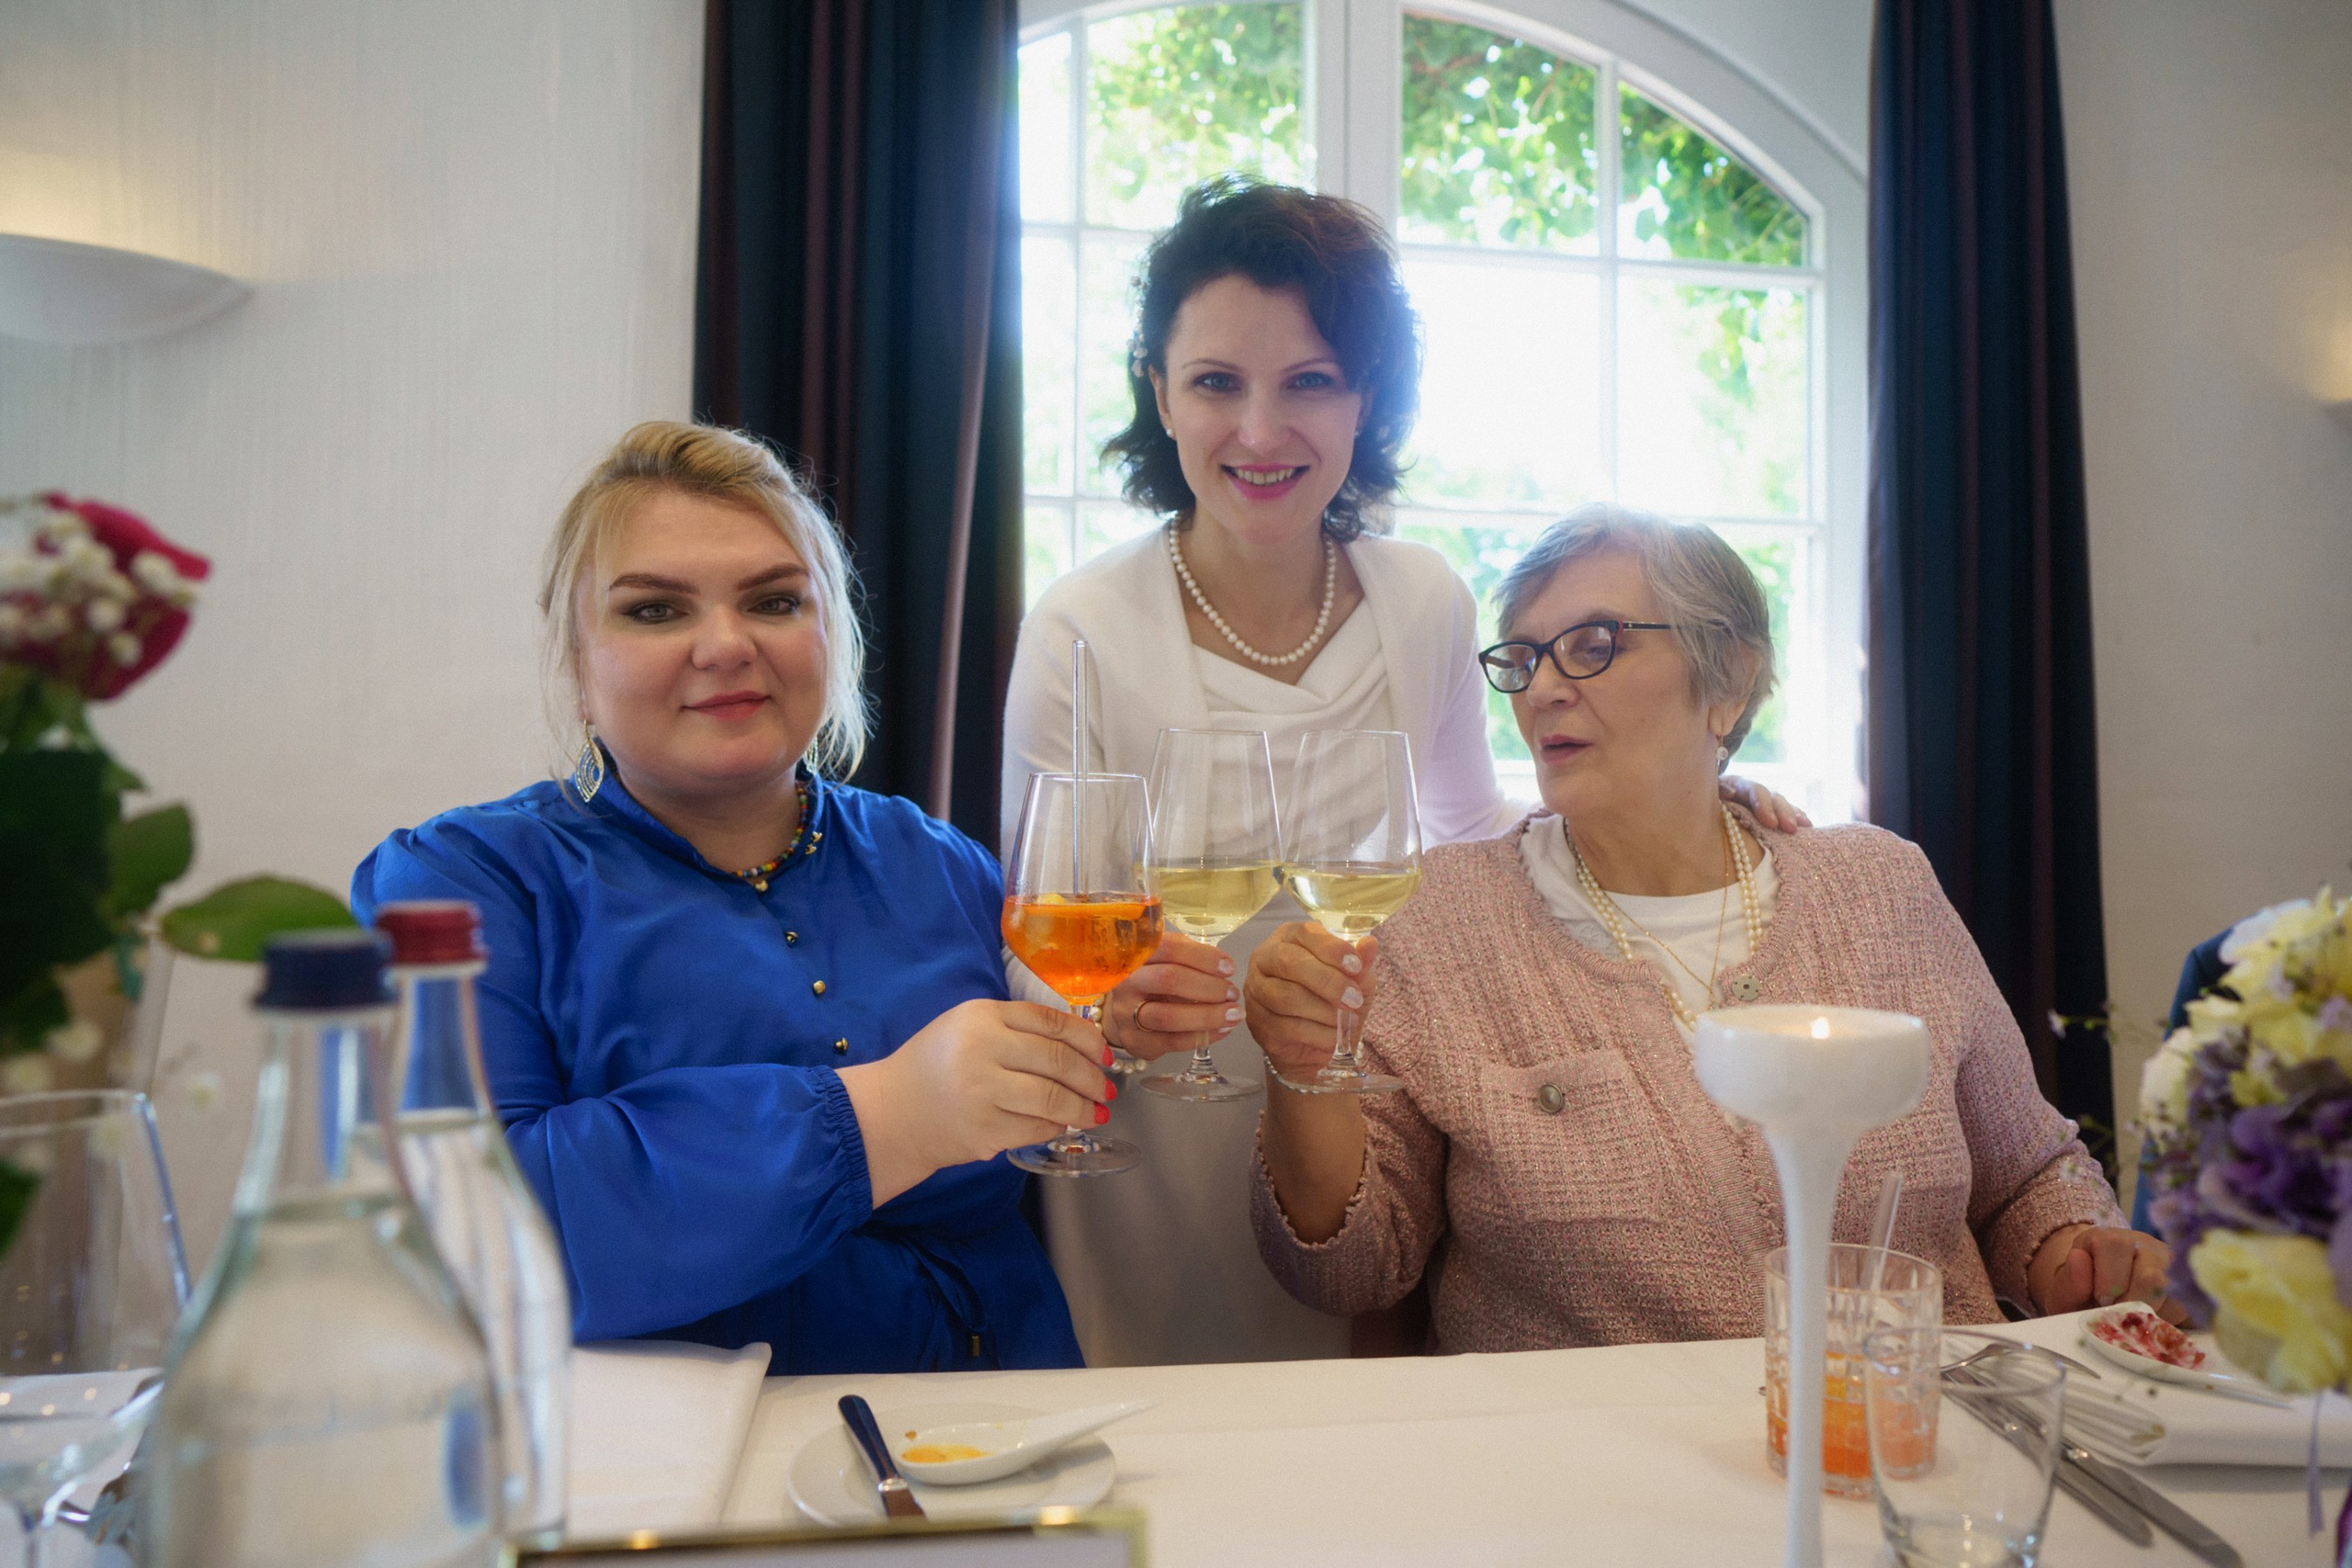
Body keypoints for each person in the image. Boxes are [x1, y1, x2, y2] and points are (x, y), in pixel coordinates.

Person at [1001, 178, 1804, 1366]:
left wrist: (1690, 790)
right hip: (1154, 1132)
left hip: (1363, 1107)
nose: (1261, 431)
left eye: (1310, 381)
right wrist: (1105, 1007)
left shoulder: (1423, 596)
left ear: (1367, 397)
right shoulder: (1081, 623)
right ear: (1158, 390)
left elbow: (1472, 840)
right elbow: (1035, 926)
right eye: (1217, 380)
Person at [1248, 503, 2181, 1350]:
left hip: (1910, 1452)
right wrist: (1301, 1068)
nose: (1541, 690)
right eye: (1523, 657)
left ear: (1726, 676)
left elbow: (2027, 1175)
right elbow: (1349, 1269)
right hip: (1600, 1489)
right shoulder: (1439, 920)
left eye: (1595, 643)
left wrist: (2072, 1248)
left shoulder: (1881, 887)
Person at [353, 422, 1108, 1372]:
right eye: (656, 612)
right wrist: (885, 1114)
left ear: (830, 633)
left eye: (774, 600)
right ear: (576, 668)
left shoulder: (938, 862)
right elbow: (474, 1228)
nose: (726, 645)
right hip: (664, 1477)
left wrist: (1103, 1033)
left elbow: (1042, 1137)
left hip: (1004, 1431)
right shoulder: (455, 887)